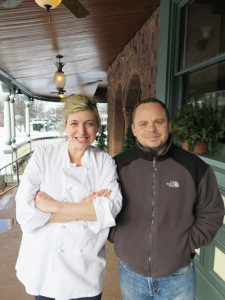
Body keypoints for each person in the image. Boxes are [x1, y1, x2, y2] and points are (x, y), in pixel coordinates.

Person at [109, 98, 224, 300]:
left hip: (178, 275)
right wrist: (119, 239)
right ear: (134, 129)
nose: (151, 129)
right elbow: (102, 207)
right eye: (143, 124)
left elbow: (211, 213)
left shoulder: (194, 167)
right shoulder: (117, 166)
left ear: (169, 126)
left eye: (158, 122)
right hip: (131, 272)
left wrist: (185, 245)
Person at [15, 94, 122, 300]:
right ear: (65, 125)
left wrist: (53, 206)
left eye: (89, 124)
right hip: (45, 267)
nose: (81, 131)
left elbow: (110, 209)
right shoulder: (43, 156)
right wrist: (86, 210)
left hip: (85, 270)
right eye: (74, 123)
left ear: (98, 126)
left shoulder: (104, 161)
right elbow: (25, 212)